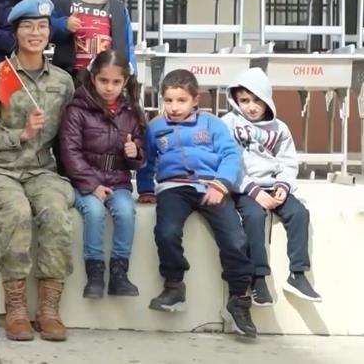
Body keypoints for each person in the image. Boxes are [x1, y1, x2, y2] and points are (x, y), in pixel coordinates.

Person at [0, 0, 75, 342]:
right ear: (15, 32)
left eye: (42, 26)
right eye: (27, 26)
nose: (35, 33)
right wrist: (22, 134)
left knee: (56, 212)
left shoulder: (62, 82)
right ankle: (15, 309)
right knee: (16, 212)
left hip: (41, 169)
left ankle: (49, 310)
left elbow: (70, 136)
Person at [137, 69, 257, 338]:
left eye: (181, 100)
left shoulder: (212, 124)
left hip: (210, 186)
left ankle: (239, 299)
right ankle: (174, 286)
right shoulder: (155, 127)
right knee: (166, 231)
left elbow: (230, 155)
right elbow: (147, 161)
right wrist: (145, 189)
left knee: (235, 238)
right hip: (174, 187)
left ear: (195, 100)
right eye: (168, 100)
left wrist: (221, 184)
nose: (174, 107)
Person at [221, 68, 321, 304]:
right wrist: (254, 191)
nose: (251, 107)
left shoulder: (280, 128)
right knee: (254, 217)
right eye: (244, 100)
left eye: (257, 100)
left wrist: (283, 186)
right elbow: (229, 163)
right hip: (245, 188)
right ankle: (258, 278)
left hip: (274, 185)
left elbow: (288, 161)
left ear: (267, 99)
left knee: (299, 213)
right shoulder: (228, 124)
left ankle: (298, 274)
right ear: (235, 100)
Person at [57, 50, 145, 299]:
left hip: (118, 181)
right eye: (103, 80)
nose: (109, 87)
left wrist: (135, 152)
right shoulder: (77, 109)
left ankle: (119, 272)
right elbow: (70, 151)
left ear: (125, 82)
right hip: (84, 182)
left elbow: (140, 153)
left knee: (125, 211)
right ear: (93, 77)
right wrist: (91, 184)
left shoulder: (130, 112)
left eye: (116, 82)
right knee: (94, 212)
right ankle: (95, 272)